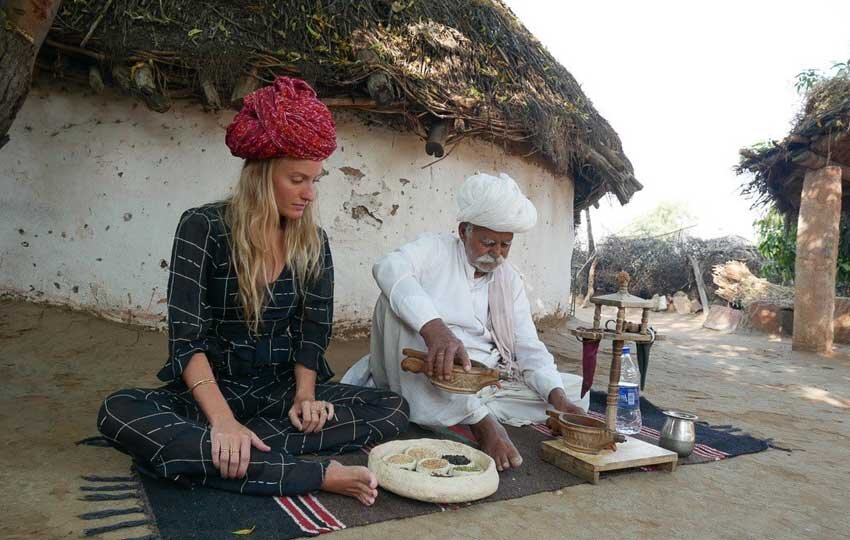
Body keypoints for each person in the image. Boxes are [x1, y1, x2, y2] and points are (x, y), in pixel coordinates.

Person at [97, 76, 409, 505]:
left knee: (392, 408)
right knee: (118, 412)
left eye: (315, 179)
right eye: (298, 179)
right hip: (212, 391)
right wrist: (222, 420)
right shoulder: (202, 227)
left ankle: (220, 455)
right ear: (262, 177)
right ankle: (308, 471)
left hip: (279, 394)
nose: (310, 194)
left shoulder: (313, 243)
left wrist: (305, 398)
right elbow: (186, 340)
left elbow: (312, 334)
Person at [342, 172, 587, 472]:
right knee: (393, 305)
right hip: (428, 366)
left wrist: (558, 400)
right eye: (488, 243)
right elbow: (388, 267)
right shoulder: (435, 250)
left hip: (482, 378)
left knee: (572, 393)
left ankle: (461, 409)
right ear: (463, 231)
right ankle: (481, 422)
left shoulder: (510, 280)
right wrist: (435, 330)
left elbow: (526, 346)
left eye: (505, 245)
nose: (497, 254)